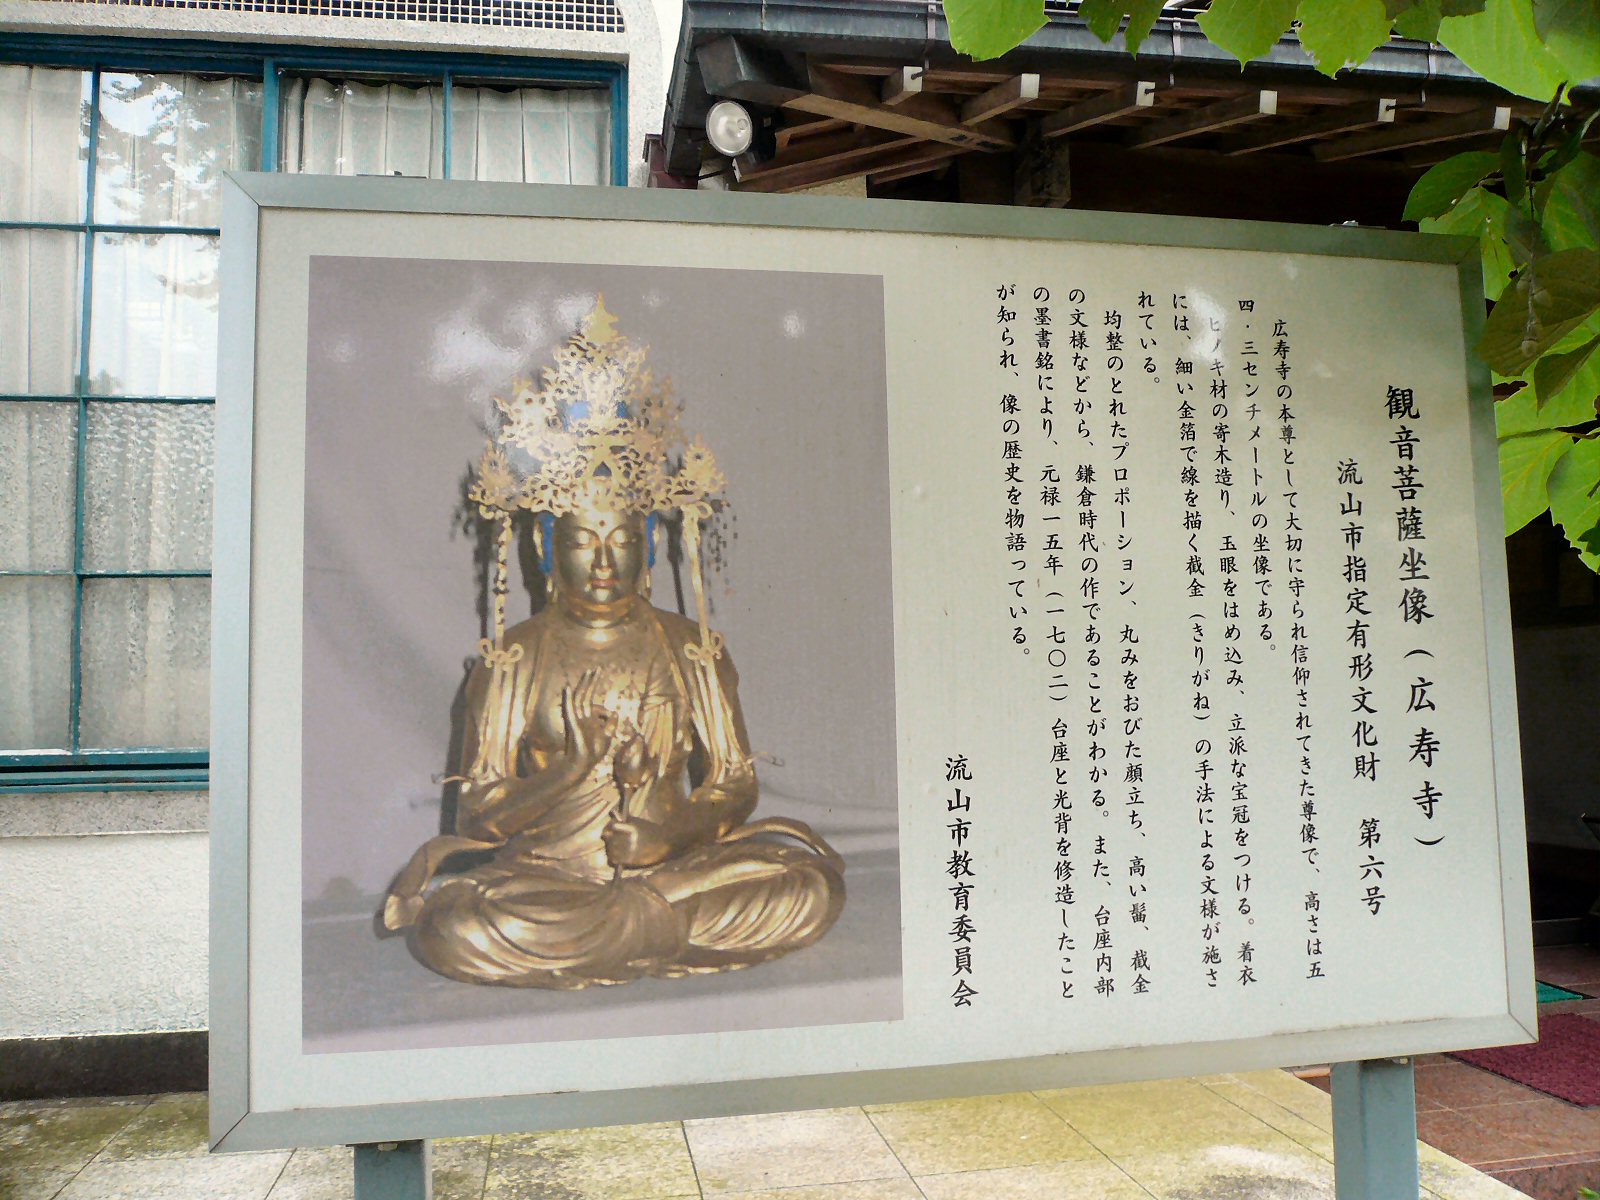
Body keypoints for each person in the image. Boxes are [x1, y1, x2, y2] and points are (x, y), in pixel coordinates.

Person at [380, 300, 845, 988]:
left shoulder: (691, 649)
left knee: (806, 885)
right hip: (549, 880)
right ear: (545, 554)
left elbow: (733, 783)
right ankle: (643, 929)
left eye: (623, 540)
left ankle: (626, 925)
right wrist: (570, 771)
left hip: (675, 870)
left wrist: (672, 832)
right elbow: (478, 816)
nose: (604, 562)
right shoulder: (513, 661)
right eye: (582, 541)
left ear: (649, 550)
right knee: (456, 924)